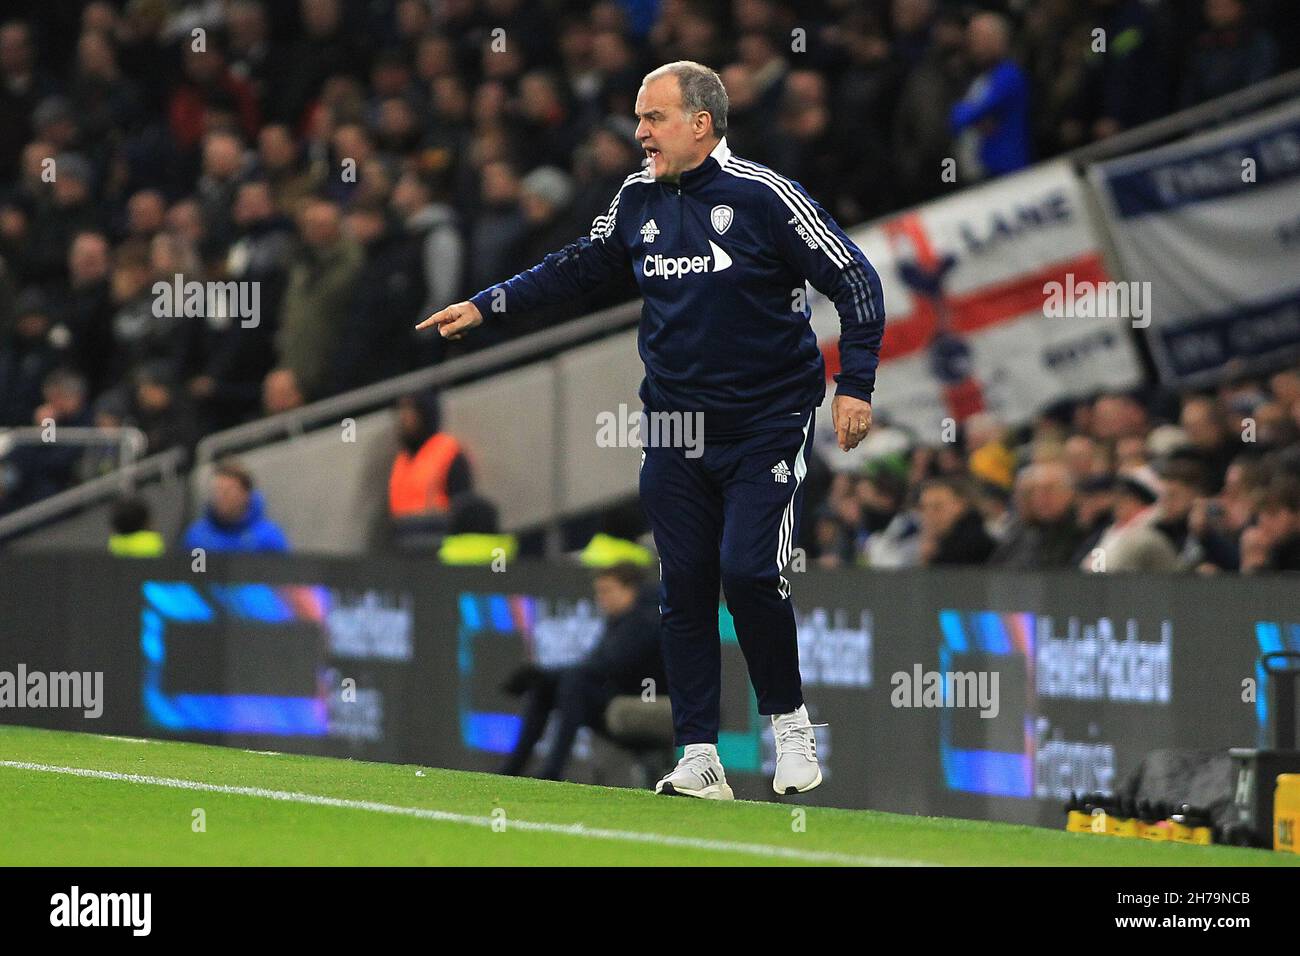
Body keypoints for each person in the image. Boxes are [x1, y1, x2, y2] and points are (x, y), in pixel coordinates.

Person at [419, 61, 885, 799]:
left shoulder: (764, 197)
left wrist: (855, 385)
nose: (638, 133)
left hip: (765, 420)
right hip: (673, 423)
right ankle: (699, 754)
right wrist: (491, 304)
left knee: (749, 570)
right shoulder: (636, 197)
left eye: (653, 118)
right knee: (685, 586)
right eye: (638, 118)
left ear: (701, 124)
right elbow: (581, 264)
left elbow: (854, 278)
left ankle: (790, 725)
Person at [500, 563, 664, 780]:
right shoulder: (618, 620)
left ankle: (552, 771)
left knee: (574, 682)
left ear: (629, 590)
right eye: (598, 591)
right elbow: (599, 664)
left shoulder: (648, 620)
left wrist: (544, 675)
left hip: (646, 697)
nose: (600, 598)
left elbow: (612, 665)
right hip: (616, 693)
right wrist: (542, 678)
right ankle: (512, 769)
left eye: (607, 590)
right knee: (547, 688)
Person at [181, 458, 289, 553]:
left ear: (245, 494)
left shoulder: (267, 538)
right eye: (217, 490)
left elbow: (283, 573)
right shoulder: (197, 537)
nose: (221, 496)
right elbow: (190, 573)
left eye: (228, 491)